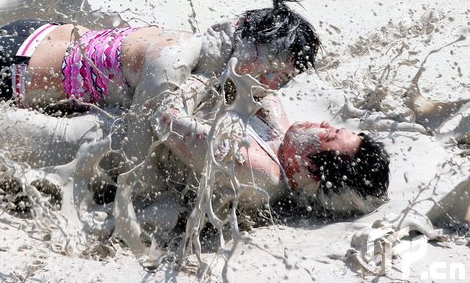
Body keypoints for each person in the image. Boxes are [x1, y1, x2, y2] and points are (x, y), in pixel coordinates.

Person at [0, 0, 319, 116]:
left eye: (280, 79)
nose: (268, 85)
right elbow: (135, 153)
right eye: (266, 69)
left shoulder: (213, 59)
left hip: (43, 32)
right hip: (3, 68)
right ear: (242, 35)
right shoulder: (174, 60)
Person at [153, 75, 390, 215]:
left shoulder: (256, 171)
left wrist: (201, 76)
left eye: (328, 136)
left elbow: (165, 118)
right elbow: (254, 81)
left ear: (311, 171)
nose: (325, 124)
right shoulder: (283, 141)